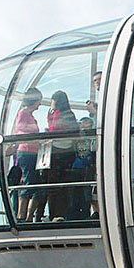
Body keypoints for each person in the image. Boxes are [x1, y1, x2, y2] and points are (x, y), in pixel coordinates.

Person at [46, 90, 79, 221]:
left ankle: (55, 213)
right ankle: (61, 213)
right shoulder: (69, 114)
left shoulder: (59, 114)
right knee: (63, 184)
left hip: (59, 151)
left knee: (54, 184)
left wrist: (49, 119)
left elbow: (54, 130)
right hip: (67, 151)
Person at [13, 88, 44, 222]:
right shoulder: (23, 113)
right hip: (26, 152)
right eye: (39, 101)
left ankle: (28, 215)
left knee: (37, 184)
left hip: (32, 152)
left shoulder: (30, 116)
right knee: (29, 181)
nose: (40, 104)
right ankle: (22, 215)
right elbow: (20, 130)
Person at [67, 117, 95, 220]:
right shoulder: (83, 136)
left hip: (81, 167)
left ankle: (79, 213)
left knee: (81, 192)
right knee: (80, 192)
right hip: (79, 167)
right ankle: (80, 213)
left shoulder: (87, 137)